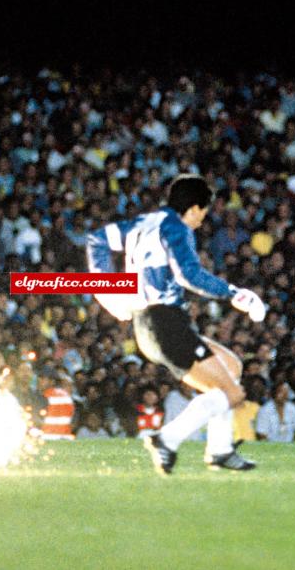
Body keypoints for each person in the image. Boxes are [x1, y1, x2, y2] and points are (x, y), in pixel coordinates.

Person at [87, 174, 266, 474]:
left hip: (151, 324)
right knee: (232, 393)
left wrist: (107, 292)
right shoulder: (177, 228)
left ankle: (220, 450)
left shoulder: (144, 222)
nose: (202, 221)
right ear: (194, 208)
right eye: (204, 213)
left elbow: (97, 240)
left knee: (231, 368)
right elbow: (189, 275)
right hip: (165, 322)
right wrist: (235, 294)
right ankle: (166, 439)